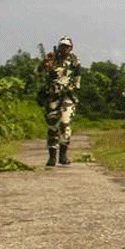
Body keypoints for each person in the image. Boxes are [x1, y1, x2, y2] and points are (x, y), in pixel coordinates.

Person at [37, 37, 82, 167]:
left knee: (65, 123)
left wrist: (71, 88)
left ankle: (63, 154)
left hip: (68, 95)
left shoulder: (75, 61)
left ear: (71, 48)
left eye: (67, 46)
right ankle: (52, 156)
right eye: (62, 46)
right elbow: (39, 73)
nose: (64, 48)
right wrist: (45, 64)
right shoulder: (52, 58)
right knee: (52, 125)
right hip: (53, 95)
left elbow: (78, 80)